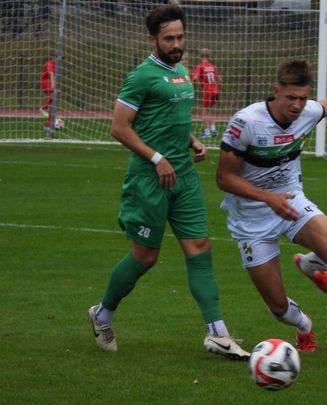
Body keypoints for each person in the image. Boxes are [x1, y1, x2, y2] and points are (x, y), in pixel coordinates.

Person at [87, 4, 250, 361]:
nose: (177, 44)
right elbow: (119, 128)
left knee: (200, 248)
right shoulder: (141, 76)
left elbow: (166, 118)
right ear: (152, 39)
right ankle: (102, 314)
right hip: (149, 179)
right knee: (145, 257)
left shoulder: (182, 72)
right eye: (169, 39)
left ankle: (217, 333)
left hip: (184, 177)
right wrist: (156, 158)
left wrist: (191, 139)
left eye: (180, 37)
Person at [216, 60, 327, 352]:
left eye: (303, 98)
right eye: (291, 97)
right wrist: (269, 198)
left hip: (292, 203)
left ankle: (308, 264)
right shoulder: (247, 122)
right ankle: (304, 325)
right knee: (279, 308)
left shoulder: (308, 112)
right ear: (276, 91)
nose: (297, 105)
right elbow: (224, 178)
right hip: (251, 221)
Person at [192, 48, 221, 139]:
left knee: (204, 111)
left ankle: (207, 132)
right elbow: (219, 78)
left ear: (200, 56)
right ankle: (213, 129)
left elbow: (195, 77)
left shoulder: (200, 66)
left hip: (208, 91)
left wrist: (193, 80)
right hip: (216, 90)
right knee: (210, 111)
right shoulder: (212, 66)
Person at [39, 57, 56, 128]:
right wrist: (53, 86)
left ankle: (47, 126)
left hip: (49, 82)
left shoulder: (56, 65)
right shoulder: (50, 63)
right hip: (45, 82)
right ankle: (44, 107)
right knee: (54, 93)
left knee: (52, 106)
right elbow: (50, 74)